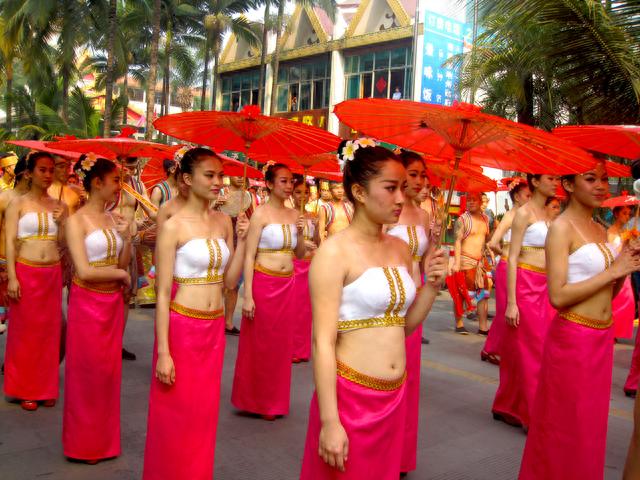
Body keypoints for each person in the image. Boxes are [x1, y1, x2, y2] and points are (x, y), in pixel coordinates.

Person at [299, 139, 446, 479]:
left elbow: (404, 326)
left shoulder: (399, 249)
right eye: (391, 188)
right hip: (351, 398)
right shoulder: (334, 253)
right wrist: (330, 421)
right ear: (360, 193)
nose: (400, 198)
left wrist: (432, 286)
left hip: (395, 397)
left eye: (403, 189)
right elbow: (322, 343)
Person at [519, 162, 640, 480]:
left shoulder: (600, 230)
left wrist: (624, 263)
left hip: (602, 336)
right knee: (564, 425)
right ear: (568, 185)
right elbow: (557, 296)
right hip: (573, 337)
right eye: (591, 179)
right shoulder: (560, 228)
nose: (601, 185)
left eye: (603, 179)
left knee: (590, 426)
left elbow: (608, 293)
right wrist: (613, 271)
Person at [143, 147, 248, 479]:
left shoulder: (222, 221)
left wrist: (245, 241)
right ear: (187, 179)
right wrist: (163, 352)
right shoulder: (173, 226)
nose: (219, 182)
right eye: (210, 175)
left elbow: (230, 282)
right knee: (177, 413)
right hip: (182, 327)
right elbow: (161, 293)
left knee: (203, 414)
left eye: (220, 175)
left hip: (213, 329)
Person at [63, 154, 132, 464]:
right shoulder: (75, 221)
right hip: (87, 301)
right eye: (115, 180)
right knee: (87, 374)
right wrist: (121, 275)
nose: (120, 186)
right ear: (97, 182)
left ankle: (104, 440)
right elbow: (85, 270)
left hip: (112, 304)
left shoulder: (111, 218)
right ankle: (83, 443)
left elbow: (122, 262)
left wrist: (128, 236)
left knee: (107, 374)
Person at [231, 163, 306, 420]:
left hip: (288, 285)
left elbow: (299, 253)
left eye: (291, 181)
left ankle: (275, 400)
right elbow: (249, 256)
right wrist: (248, 295)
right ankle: (257, 401)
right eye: (283, 181)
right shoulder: (260, 215)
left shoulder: (296, 215)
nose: (289, 186)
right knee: (260, 344)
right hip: (264, 283)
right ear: (270, 184)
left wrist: (302, 233)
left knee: (281, 346)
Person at [492, 173, 559, 430]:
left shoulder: (547, 213)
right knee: (532, 350)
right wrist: (511, 302)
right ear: (535, 182)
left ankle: (508, 404)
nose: (555, 182)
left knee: (532, 349)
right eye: (549, 178)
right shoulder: (524, 213)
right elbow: (512, 257)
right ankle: (532, 413)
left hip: (547, 284)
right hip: (526, 284)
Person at [4, 151, 68, 411]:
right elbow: (9, 242)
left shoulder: (59, 205)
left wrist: (63, 224)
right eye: (42, 170)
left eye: (51, 170)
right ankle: (23, 388)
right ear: (29, 173)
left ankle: (45, 387)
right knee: (24, 332)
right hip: (25, 271)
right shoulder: (16, 204)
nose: (48, 175)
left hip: (51, 273)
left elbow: (64, 243)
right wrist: (12, 277)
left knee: (49, 332)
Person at [386, 149, 431, 476]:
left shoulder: (427, 215)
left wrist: (437, 265)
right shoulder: (389, 212)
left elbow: (425, 261)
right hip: (388, 299)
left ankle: (400, 455)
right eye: (412, 174)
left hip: (417, 298)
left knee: (408, 379)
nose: (418, 181)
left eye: (421, 175)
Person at [109, 156, 156, 361]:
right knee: (107, 292)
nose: (127, 169)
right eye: (124, 165)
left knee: (126, 295)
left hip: (130, 243)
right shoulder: (109, 183)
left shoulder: (137, 185)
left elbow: (151, 211)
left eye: (131, 165)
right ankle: (105, 341)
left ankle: (117, 342)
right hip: (109, 245)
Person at [483, 178, 531, 364]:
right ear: (517, 197)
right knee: (506, 310)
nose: (531, 198)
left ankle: (503, 348)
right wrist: (507, 254)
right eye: (528, 195)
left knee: (515, 310)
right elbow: (493, 243)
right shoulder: (511, 216)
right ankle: (492, 349)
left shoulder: (526, 215)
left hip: (519, 268)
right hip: (507, 266)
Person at [221, 174, 256, 336]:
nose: (241, 178)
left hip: (240, 243)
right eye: (237, 175)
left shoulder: (248, 196)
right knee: (220, 284)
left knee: (234, 285)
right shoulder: (221, 192)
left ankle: (228, 321)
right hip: (221, 241)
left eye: (243, 176)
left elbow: (253, 218)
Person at [452, 192, 490, 334]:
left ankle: (483, 327)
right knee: (461, 295)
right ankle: (459, 323)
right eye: (468, 200)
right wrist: (456, 263)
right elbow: (457, 241)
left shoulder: (486, 219)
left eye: (474, 199)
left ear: (481, 202)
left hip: (480, 263)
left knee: (484, 295)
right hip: (465, 262)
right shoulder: (462, 220)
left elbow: (485, 240)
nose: (471, 202)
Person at [0, 157, 30, 334]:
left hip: (27, 265)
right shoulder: (4, 199)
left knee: (22, 319)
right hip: (4, 263)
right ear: (27, 174)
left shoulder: (36, 201)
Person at [291, 177, 319, 363]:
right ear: (292, 194)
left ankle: (302, 350)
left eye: (306, 192)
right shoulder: (287, 215)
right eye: (298, 192)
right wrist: (301, 240)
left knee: (305, 311)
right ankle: (290, 348)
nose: (302, 196)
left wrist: (315, 230)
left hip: (310, 265)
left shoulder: (314, 216)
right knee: (292, 309)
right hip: (293, 265)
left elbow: (317, 241)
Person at [608, 206, 636, 341]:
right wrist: (624, 244)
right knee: (615, 301)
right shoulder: (610, 232)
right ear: (616, 214)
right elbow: (611, 253)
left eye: (629, 214)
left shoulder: (627, 231)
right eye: (624, 213)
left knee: (628, 301)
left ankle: (616, 330)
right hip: (615, 271)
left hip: (625, 272)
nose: (627, 216)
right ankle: (610, 330)